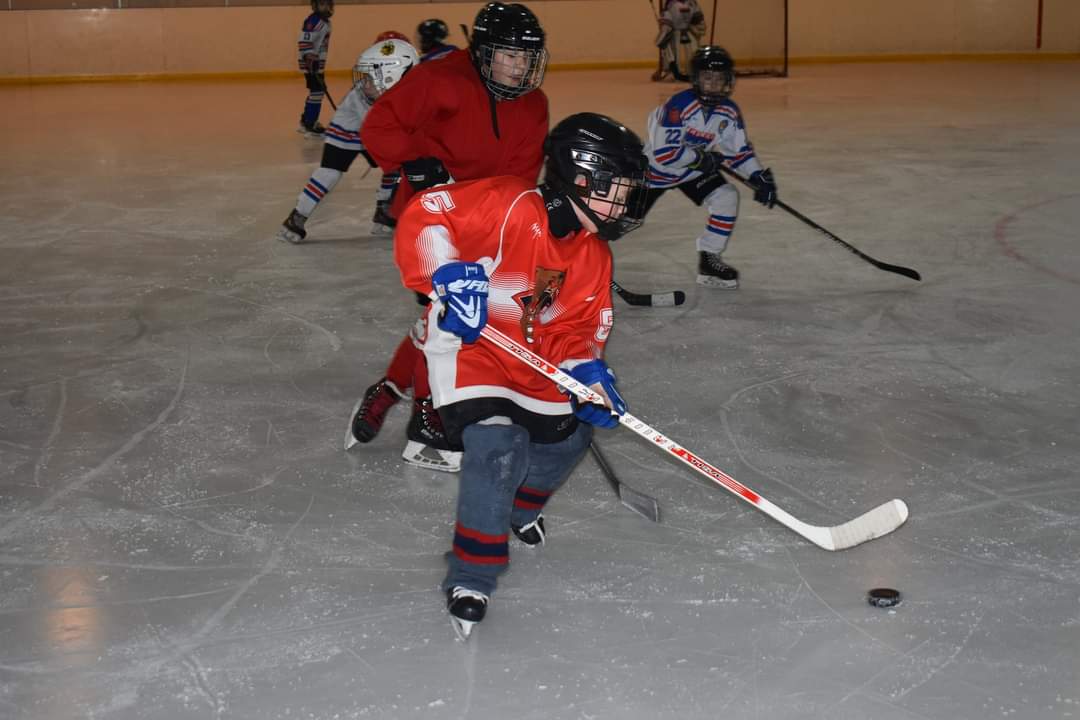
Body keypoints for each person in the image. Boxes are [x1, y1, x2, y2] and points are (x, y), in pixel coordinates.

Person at [392, 112, 648, 639]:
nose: (623, 206)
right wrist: (446, 273)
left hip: (530, 354)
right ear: (578, 179)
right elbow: (428, 215)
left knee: (569, 437)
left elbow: (571, 327)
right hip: (471, 347)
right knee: (498, 445)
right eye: (614, 193)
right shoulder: (509, 202)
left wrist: (588, 373)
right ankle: (472, 574)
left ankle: (517, 507)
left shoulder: (592, 255)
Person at [344, 2, 550, 473]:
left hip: (482, 222)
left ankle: (390, 389)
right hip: (430, 215)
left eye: (527, 58)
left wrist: (517, 228)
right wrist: (411, 161)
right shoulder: (442, 80)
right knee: (445, 314)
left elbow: (518, 180)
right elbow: (380, 125)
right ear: (481, 53)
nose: (520, 68)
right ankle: (428, 417)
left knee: (450, 316)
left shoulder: (533, 104)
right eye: (509, 56)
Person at [640, 45, 778, 289]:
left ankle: (708, 260)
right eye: (707, 77)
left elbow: (737, 151)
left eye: (719, 78)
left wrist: (756, 174)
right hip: (656, 172)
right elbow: (665, 153)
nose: (713, 83)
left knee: (726, 197)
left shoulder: (729, 112)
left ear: (729, 80)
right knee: (620, 223)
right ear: (696, 79)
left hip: (692, 171)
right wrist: (703, 159)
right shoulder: (679, 105)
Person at [278, 39, 420, 244]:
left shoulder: (394, 95)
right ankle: (298, 216)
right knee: (329, 173)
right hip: (346, 132)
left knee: (394, 167)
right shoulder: (364, 98)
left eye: (372, 77)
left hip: (371, 132)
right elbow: (380, 127)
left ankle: (384, 211)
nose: (365, 84)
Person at [296, 0, 334, 136]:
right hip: (311, 64)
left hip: (317, 64)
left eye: (327, 4)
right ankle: (310, 125)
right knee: (317, 92)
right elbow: (304, 41)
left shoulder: (325, 22)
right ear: (315, 6)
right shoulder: (314, 21)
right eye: (322, 4)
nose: (325, 7)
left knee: (316, 92)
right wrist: (310, 58)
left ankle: (305, 121)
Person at [652, 0, 705, 82]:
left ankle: (677, 73)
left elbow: (667, 26)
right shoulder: (691, 3)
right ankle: (689, 73)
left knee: (673, 52)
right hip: (687, 34)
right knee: (688, 52)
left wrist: (662, 37)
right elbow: (698, 21)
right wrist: (699, 30)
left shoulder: (671, 4)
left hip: (678, 34)